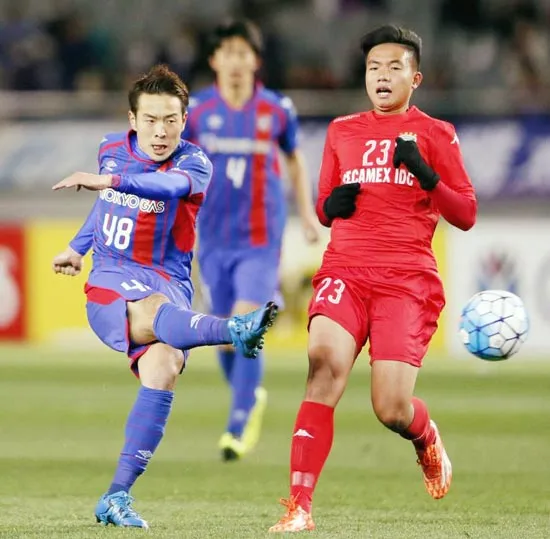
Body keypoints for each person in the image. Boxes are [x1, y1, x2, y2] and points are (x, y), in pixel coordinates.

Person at [268, 24, 477, 533]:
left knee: (391, 408)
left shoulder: (436, 134)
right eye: (373, 68)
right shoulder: (342, 131)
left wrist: (426, 175)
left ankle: (425, 437)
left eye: (393, 68)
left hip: (405, 281)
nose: (382, 76)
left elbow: (466, 214)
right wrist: (330, 207)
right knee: (323, 365)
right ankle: (299, 507)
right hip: (345, 269)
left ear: (415, 78)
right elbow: (324, 205)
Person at [51, 64, 278, 529]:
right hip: (113, 279)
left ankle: (116, 496)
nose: (161, 131)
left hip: (168, 280)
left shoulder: (194, 164)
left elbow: (164, 186)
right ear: (132, 119)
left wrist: (112, 182)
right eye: (151, 120)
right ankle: (232, 330)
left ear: (184, 120)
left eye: (171, 120)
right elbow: (104, 206)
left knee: (164, 367)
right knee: (156, 313)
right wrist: (77, 248)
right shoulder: (110, 148)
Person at [183, 20, 319, 462]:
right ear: (214, 60)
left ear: (256, 61)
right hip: (212, 241)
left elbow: (294, 159)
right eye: (228, 53)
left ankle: (238, 422)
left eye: (244, 54)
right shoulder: (197, 111)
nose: (236, 62)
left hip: (261, 241)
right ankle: (251, 395)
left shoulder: (276, 109)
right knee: (224, 336)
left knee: (245, 325)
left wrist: (307, 214)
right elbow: (177, 166)